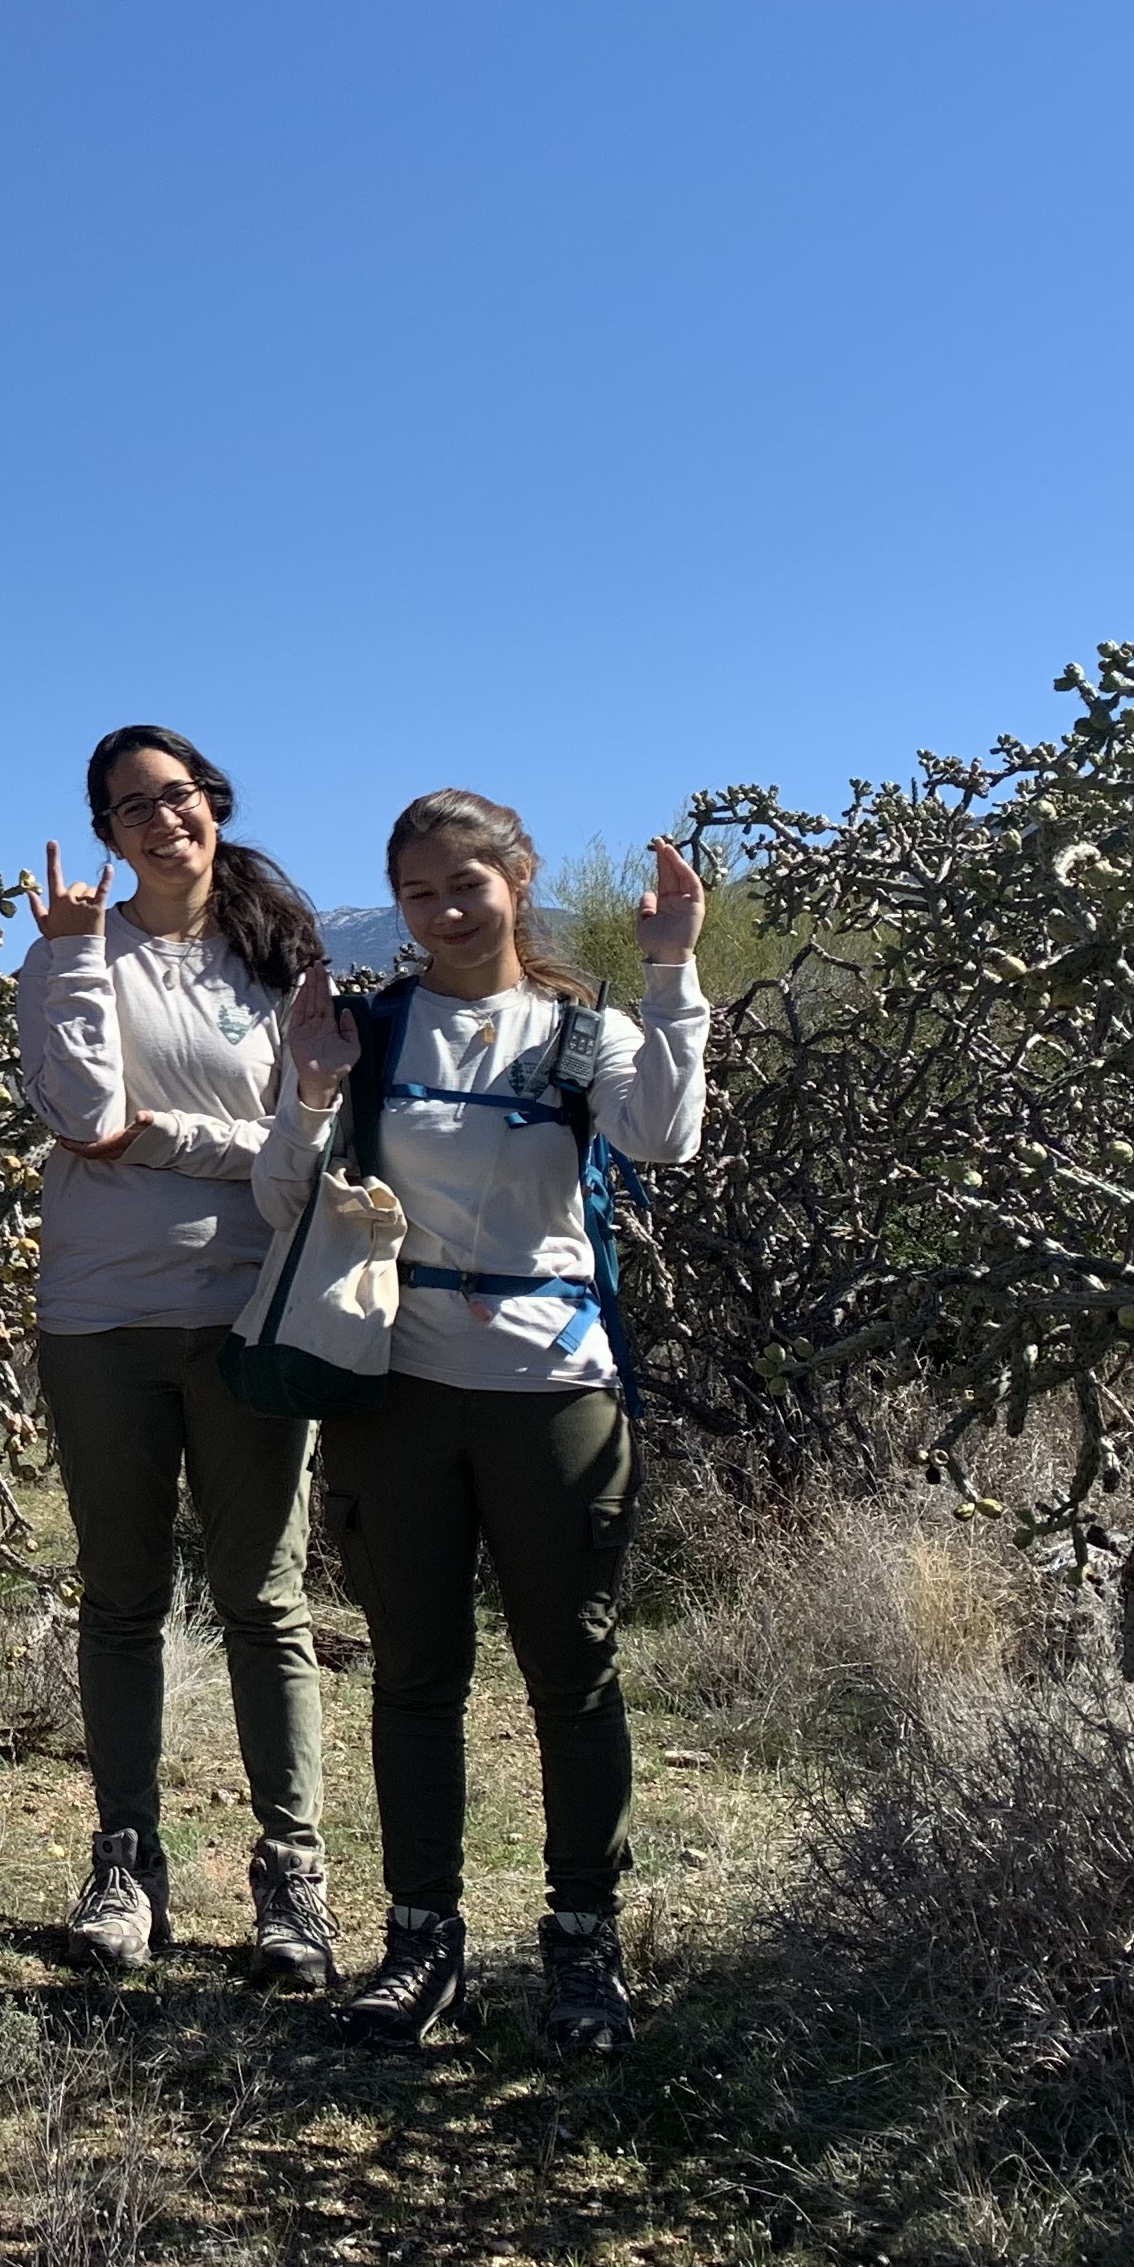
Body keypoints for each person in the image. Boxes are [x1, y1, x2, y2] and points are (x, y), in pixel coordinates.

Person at [261, 792, 707, 2058]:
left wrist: (671, 967)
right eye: (420, 893)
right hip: (398, 1385)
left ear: (519, 879)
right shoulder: (374, 1029)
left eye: (469, 884)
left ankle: (582, 1948)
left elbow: (665, 1138)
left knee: (571, 1672)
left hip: (554, 1384)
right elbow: (286, 1195)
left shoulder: (581, 1033)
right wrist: (308, 1086)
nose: (447, 911)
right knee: (413, 1676)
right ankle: (419, 1945)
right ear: (396, 904)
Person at [15, 726, 333, 1987]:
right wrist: (77, 953)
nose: (162, 821)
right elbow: (87, 1116)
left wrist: (177, 1140)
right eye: (132, 806)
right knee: (123, 1596)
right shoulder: (70, 951)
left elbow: (303, 1140)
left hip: (253, 1312)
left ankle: (292, 1874)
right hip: (102, 1315)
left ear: (214, 805)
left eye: (180, 796)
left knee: (267, 1600)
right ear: (105, 832)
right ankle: (125, 1861)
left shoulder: (282, 958)